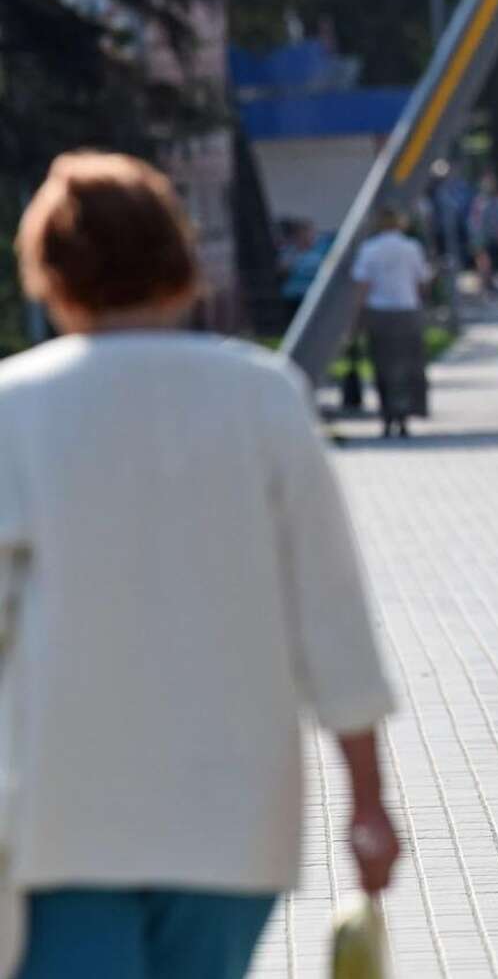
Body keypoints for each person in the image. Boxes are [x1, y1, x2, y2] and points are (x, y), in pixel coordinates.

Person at [0, 152, 400, 978]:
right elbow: (331, 612)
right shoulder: (263, 398)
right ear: (177, 261)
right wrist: (367, 799)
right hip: (232, 810)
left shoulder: (17, 408)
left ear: (50, 272)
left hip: (61, 810)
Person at [350, 206, 433, 439]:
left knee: (382, 366)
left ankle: (387, 417)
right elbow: (422, 282)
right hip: (407, 311)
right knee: (408, 366)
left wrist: (356, 319)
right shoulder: (411, 248)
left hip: (380, 313)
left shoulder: (369, 249)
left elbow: (362, 287)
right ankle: (405, 416)